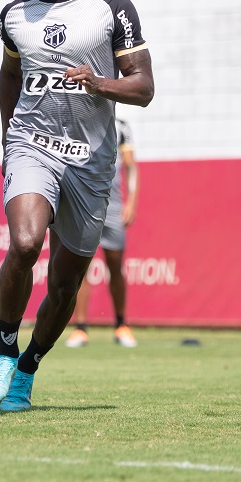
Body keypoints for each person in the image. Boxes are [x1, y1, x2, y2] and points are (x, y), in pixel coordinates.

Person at [0, 0, 154, 412]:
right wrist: (9, 144)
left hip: (91, 162)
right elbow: (9, 78)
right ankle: (5, 348)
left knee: (64, 286)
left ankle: (28, 369)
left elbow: (143, 87)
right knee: (26, 241)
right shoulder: (15, 15)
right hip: (33, 146)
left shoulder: (111, 8)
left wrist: (98, 82)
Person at [65, 117, 139, 349]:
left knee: (115, 266)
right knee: (80, 268)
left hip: (114, 205)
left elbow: (130, 166)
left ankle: (121, 325)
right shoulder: (77, 119)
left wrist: (131, 202)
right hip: (83, 204)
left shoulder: (121, 125)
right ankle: (81, 328)